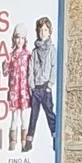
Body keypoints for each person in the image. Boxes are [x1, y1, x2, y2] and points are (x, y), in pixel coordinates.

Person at [27, 17, 58, 149]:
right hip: (36, 88)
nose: (43, 33)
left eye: (45, 30)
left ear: (49, 32)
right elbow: (30, 69)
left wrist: (50, 85)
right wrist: (32, 86)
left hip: (45, 87)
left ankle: (56, 138)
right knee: (33, 115)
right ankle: (29, 141)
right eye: (40, 30)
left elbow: (54, 67)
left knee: (50, 114)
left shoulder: (52, 49)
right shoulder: (34, 52)